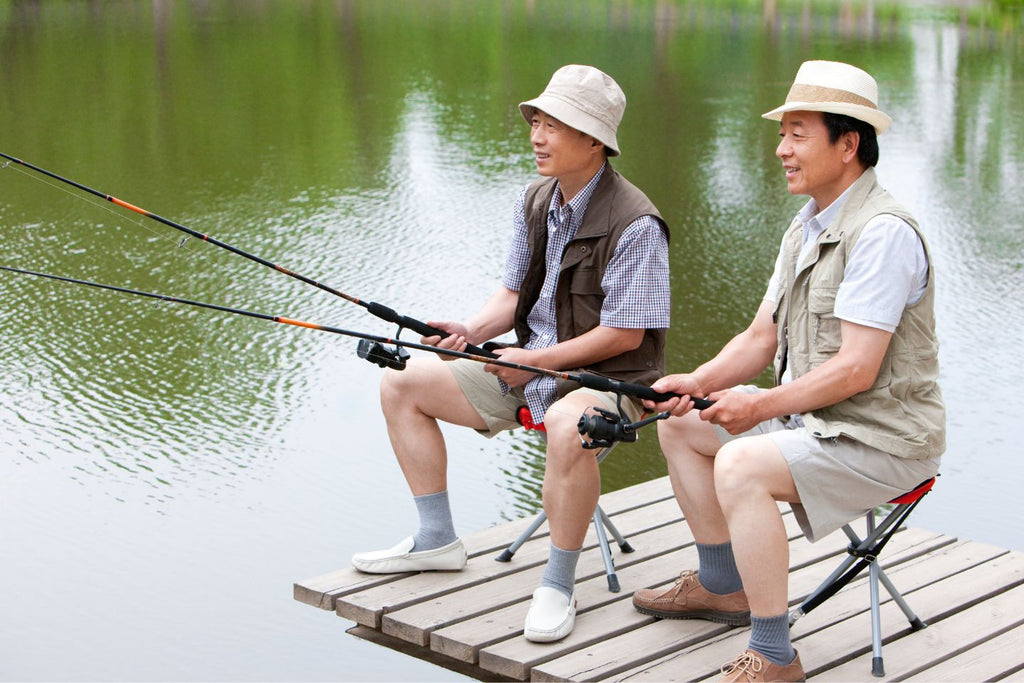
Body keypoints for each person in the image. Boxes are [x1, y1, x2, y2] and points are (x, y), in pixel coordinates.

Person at [631, 60, 944, 682]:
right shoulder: (803, 228)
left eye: (798, 134)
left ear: (848, 144)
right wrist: (697, 383)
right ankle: (723, 583)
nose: (781, 150)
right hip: (817, 425)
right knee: (684, 427)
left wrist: (757, 407)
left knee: (741, 461)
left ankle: (775, 655)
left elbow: (856, 370)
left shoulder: (882, 234)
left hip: (885, 440)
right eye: (783, 134)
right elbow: (759, 336)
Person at [351, 64, 671, 644]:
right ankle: (436, 541)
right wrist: (467, 331)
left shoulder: (636, 223)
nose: (537, 135)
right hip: (530, 370)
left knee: (573, 425)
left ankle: (557, 583)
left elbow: (625, 336)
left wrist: (533, 361)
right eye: (537, 121)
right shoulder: (536, 199)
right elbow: (511, 294)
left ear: (595, 141)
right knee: (401, 382)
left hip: (613, 382)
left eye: (555, 124)